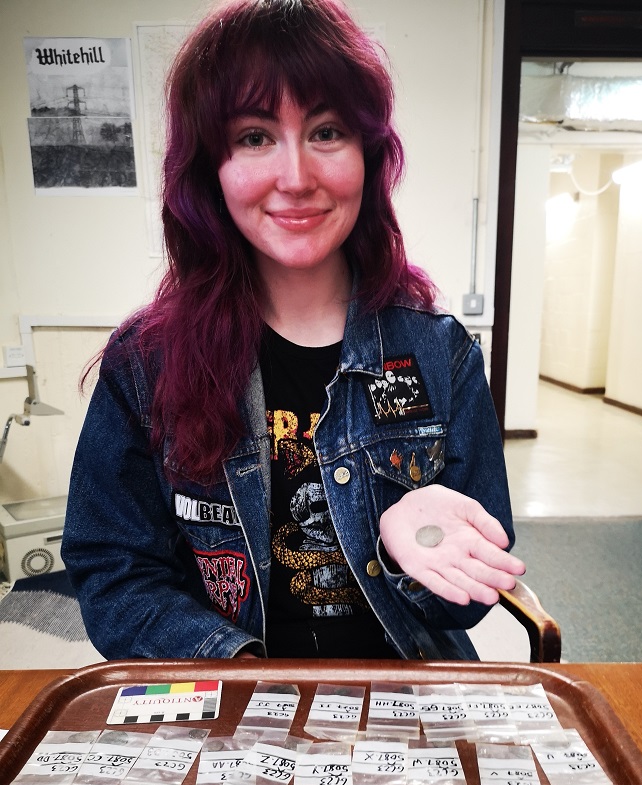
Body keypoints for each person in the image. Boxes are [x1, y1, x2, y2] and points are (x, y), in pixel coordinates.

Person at [62, 0, 525, 661]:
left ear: (367, 155)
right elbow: (113, 570)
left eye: (326, 131)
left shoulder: (438, 351)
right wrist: (243, 669)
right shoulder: (145, 363)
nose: (297, 178)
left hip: (404, 691)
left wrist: (409, 549)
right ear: (210, 169)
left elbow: (473, 589)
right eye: (254, 137)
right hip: (229, 695)